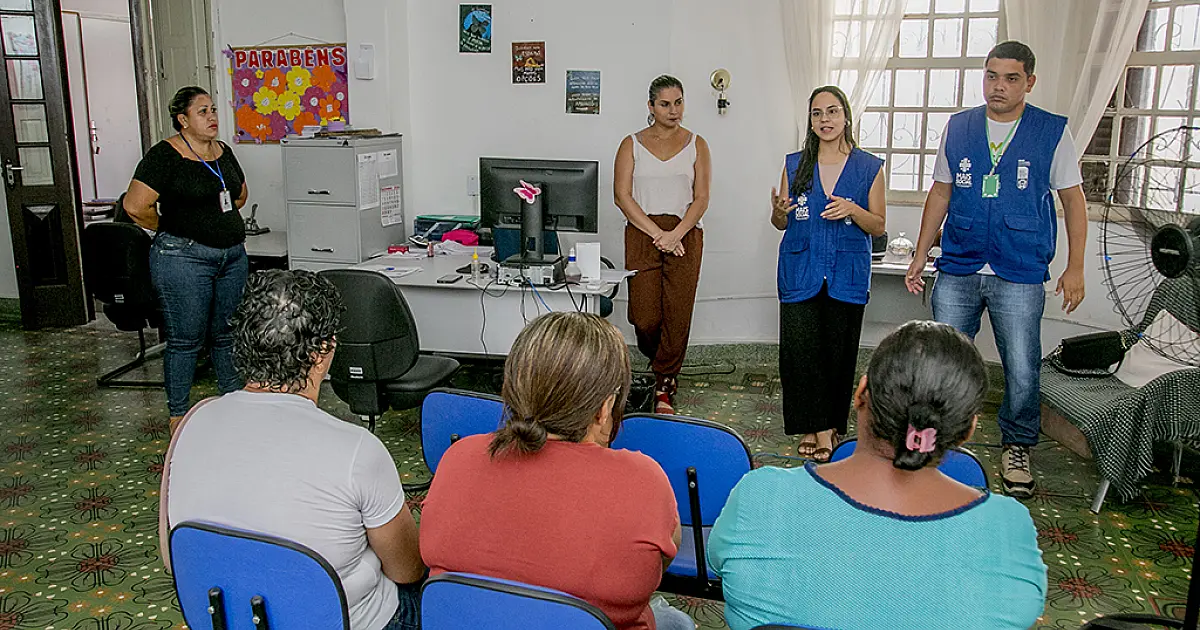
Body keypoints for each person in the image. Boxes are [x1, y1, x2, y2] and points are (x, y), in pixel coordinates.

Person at [708, 321, 1047, 630]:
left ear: (860, 394)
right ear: (968, 430)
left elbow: (718, 563)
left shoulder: (760, 497)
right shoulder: (1008, 530)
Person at [162, 270, 425, 630]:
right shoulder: (357, 450)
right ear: (322, 353)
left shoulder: (193, 422)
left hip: (226, 619)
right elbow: (408, 568)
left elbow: (172, 555)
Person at [419, 312, 695, 630]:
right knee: (677, 622)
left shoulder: (458, 458)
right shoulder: (645, 481)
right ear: (604, 408)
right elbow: (654, 567)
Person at [905, 41, 1087, 498]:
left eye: (1009, 78)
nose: (998, 87)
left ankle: (1018, 445)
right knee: (939, 361)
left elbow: (1073, 200)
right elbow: (941, 192)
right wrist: (921, 253)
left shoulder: (1051, 132)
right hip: (961, 261)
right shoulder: (960, 127)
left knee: (1022, 366)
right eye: (991, 76)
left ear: (1029, 81)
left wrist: (1076, 267)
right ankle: (929, 440)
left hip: (1020, 267)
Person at [123, 86, 251, 430]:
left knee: (227, 333)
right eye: (202, 112)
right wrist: (171, 228)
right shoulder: (164, 155)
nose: (212, 118)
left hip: (231, 257)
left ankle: (232, 403)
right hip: (183, 258)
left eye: (213, 110)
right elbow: (135, 206)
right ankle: (178, 415)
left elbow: (239, 194)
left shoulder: (221, 151)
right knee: (186, 338)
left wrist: (216, 219)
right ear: (182, 120)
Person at [770, 86, 886, 461]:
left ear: (846, 117)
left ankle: (830, 426)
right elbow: (780, 222)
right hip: (800, 269)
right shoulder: (795, 164)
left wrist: (852, 209)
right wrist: (778, 211)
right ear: (810, 121)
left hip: (846, 272)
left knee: (838, 354)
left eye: (832, 112)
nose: (825, 120)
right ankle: (813, 427)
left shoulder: (869, 166)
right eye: (817, 113)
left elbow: (878, 225)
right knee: (801, 353)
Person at [614, 75, 712, 414]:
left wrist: (676, 234)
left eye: (679, 102)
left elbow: (701, 198)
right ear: (651, 107)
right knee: (644, 317)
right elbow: (622, 196)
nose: (674, 111)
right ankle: (659, 361)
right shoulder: (631, 144)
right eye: (666, 104)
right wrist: (658, 234)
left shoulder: (698, 143)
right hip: (643, 231)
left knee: (677, 311)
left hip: (685, 233)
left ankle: (665, 382)